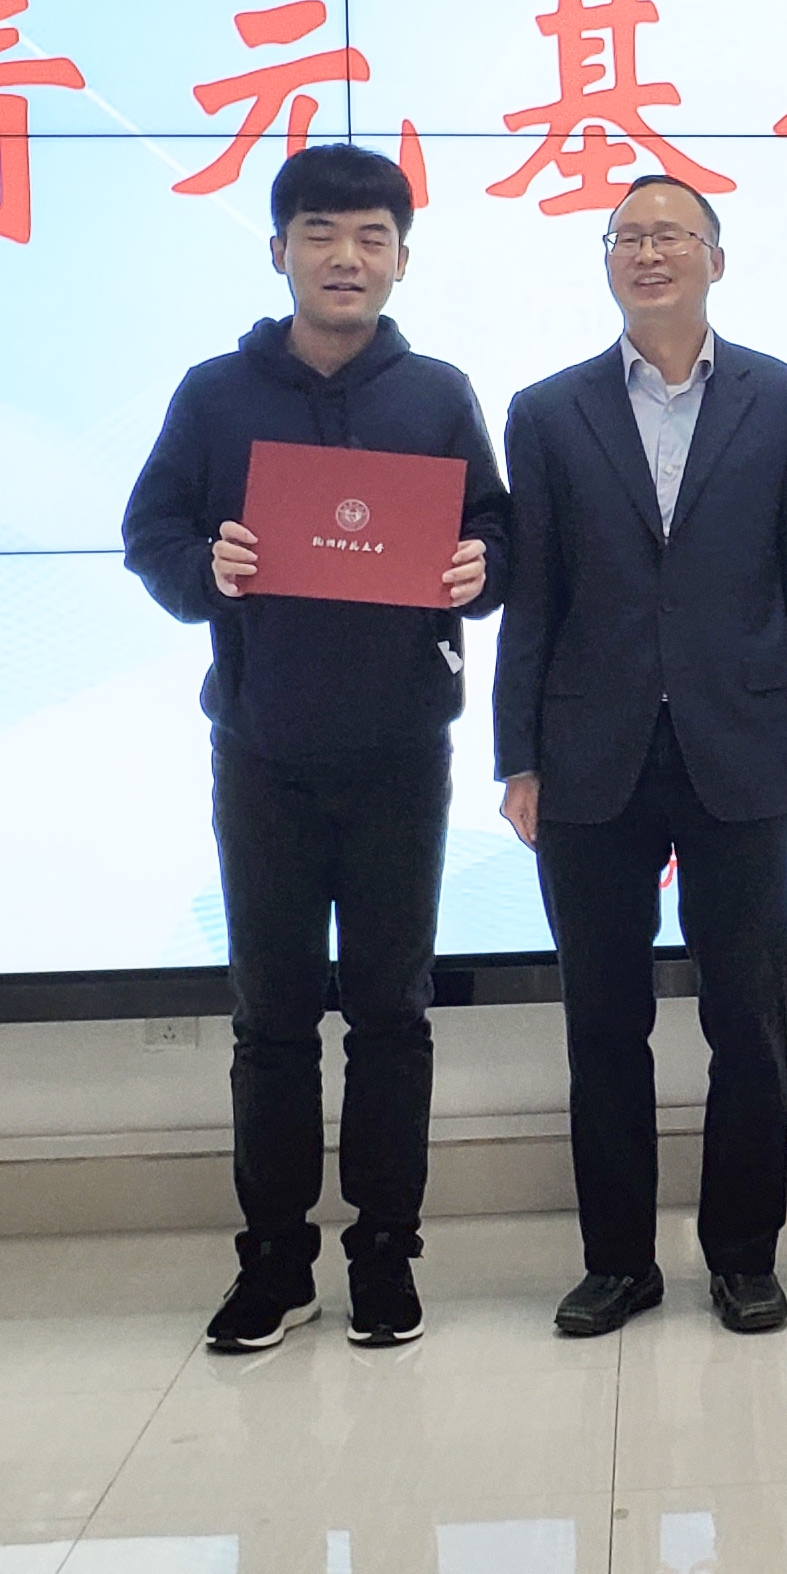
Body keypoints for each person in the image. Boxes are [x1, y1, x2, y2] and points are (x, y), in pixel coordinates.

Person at [121, 142, 507, 1354]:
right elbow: (151, 535)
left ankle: (386, 1254)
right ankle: (275, 1261)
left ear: (402, 259)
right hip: (264, 752)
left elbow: (497, 532)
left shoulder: (436, 394)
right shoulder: (214, 395)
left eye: (373, 237)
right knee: (273, 1019)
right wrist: (208, 569)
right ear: (279, 249)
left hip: (401, 753)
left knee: (393, 1014)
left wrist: (480, 566)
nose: (348, 257)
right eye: (323, 234)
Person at [495, 177, 787, 1340]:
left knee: (748, 1020)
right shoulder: (547, 411)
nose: (650, 253)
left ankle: (743, 1257)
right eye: (629, 237)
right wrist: (518, 754)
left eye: (673, 236)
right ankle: (618, 1263)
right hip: (588, 753)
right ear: (606, 260)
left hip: (741, 744)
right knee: (603, 1024)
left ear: (716, 259)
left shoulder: (786, 402)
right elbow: (533, 598)